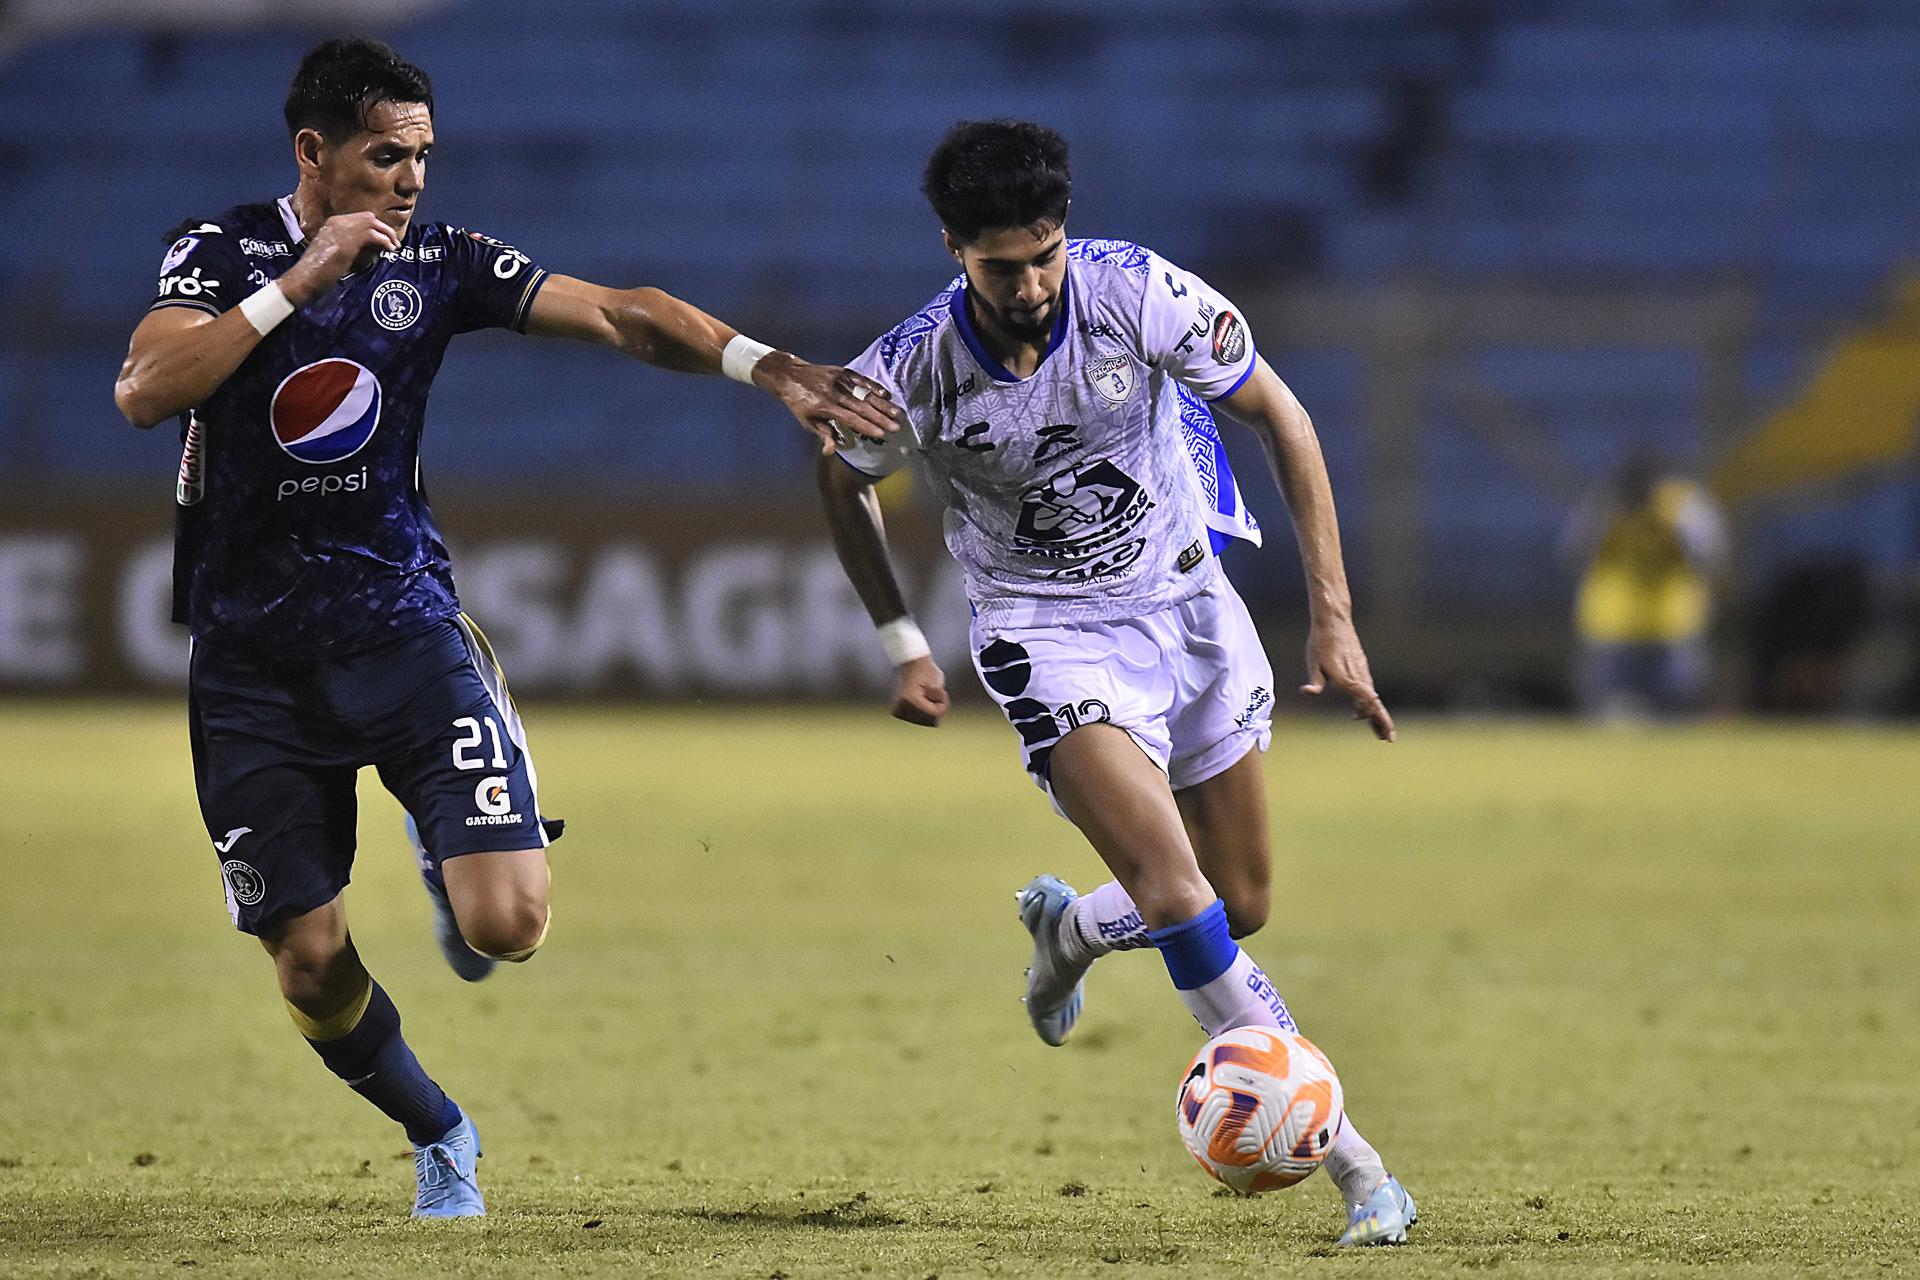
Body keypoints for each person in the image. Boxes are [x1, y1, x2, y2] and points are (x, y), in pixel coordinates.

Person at [112, 37, 898, 1219]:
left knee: (508, 920)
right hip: (251, 665)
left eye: (424, 154)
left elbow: (625, 314)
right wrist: (299, 285)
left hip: (404, 629)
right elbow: (144, 388)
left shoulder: (437, 259)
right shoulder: (222, 250)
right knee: (311, 962)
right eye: (388, 155)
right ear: (314, 153)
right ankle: (440, 1129)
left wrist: (768, 366)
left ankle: (459, 829)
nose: (413, 179)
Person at [815, 120, 1416, 1246]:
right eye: (1004, 265)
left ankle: (1077, 932)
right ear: (953, 247)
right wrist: (901, 635)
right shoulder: (907, 372)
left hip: (1190, 608)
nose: (1033, 283)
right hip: (1048, 639)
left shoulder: (1137, 291)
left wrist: (1333, 616)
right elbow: (837, 478)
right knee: (1183, 897)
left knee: (1239, 899)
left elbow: (1281, 411)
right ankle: (1362, 1171)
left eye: (1046, 253)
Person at [1560, 450, 1728, 719]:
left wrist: (1673, 531)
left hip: (1671, 631)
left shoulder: (1684, 507)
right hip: (1610, 631)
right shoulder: (1604, 505)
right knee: (1605, 721)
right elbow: (1573, 552)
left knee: (1679, 720)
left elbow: (1712, 557)